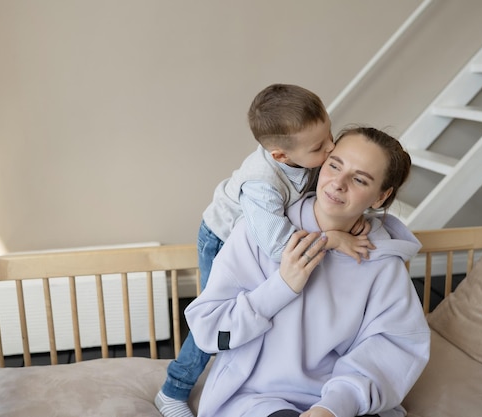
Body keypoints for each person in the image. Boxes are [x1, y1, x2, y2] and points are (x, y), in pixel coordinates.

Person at [156, 85, 374, 417]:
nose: (331, 147)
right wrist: (333, 237)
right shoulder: (261, 185)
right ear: (280, 156)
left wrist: (354, 215)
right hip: (221, 237)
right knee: (218, 317)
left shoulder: (305, 152)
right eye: (321, 147)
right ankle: (173, 390)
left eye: (330, 133)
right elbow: (277, 246)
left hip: (257, 239)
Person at [185, 126, 431, 417]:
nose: (338, 183)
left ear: (380, 197)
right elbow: (208, 331)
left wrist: (332, 407)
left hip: (339, 403)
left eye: (360, 179)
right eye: (334, 165)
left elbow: (393, 350)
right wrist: (282, 286)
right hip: (256, 400)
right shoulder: (259, 233)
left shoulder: (383, 263)